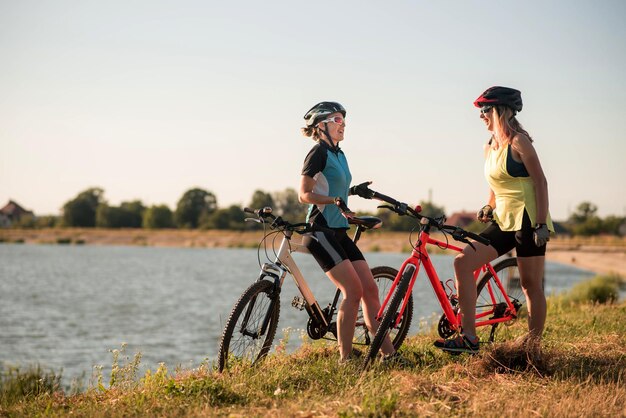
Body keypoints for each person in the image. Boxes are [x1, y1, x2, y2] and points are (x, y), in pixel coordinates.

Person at [435, 86, 554, 353]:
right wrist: (488, 206)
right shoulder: (489, 146)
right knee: (463, 262)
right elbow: (495, 184)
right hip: (503, 219)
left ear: (501, 111)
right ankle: (469, 338)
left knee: (529, 284)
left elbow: (540, 182)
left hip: (528, 218)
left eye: (485, 110)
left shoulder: (519, 142)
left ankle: (532, 347)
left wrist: (542, 223)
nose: (481, 116)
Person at [298, 101, 397, 363]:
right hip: (320, 231)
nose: (343, 125)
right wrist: (333, 202)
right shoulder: (317, 153)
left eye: (343, 120)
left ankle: (388, 355)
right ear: (321, 126)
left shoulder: (339, 154)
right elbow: (304, 194)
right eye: (337, 120)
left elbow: (335, 187)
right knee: (352, 291)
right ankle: (346, 359)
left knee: (370, 290)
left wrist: (354, 192)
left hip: (339, 230)